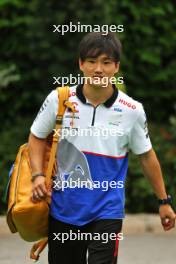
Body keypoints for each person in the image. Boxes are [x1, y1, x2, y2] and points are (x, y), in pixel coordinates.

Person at [28, 32, 175, 264]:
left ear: (116, 67)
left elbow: (146, 155)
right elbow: (36, 137)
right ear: (81, 64)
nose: (99, 69)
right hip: (64, 208)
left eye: (106, 62)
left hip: (108, 210)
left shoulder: (132, 110)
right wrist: (37, 175)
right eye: (92, 61)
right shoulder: (59, 99)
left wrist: (163, 201)